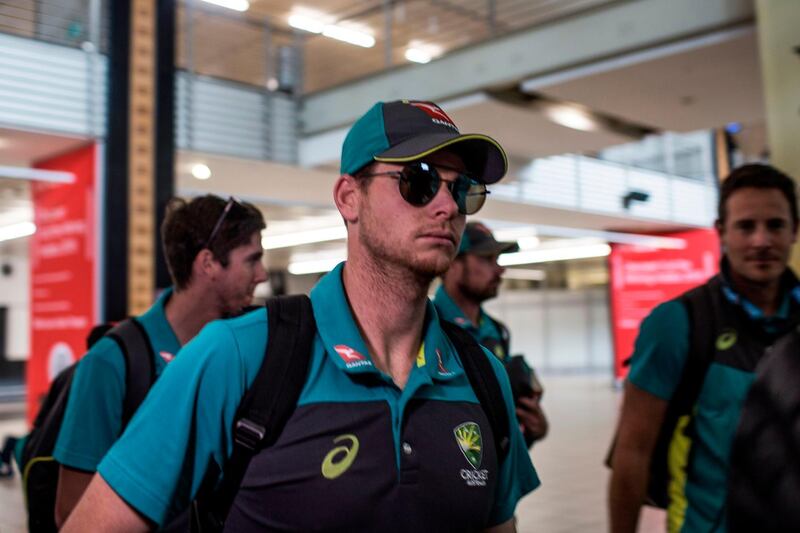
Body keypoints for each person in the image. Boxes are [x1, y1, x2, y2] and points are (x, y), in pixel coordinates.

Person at [62, 100, 539, 532]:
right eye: (419, 180)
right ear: (349, 198)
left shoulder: (482, 376)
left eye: (463, 191)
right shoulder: (238, 357)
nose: (446, 207)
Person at [53, 194, 267, 526]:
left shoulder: (244, 353)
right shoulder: (112, 362)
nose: (263, 275)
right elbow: (71, 510)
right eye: (252, 260)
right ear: (208, 263)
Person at [608, 163, 800, 533]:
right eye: (746, 226)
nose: (762, 240)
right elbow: (632, 453)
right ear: (722, 232)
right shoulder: (678, 323)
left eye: (775, 225)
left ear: (795, 230)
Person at [435, 221, 548, 445]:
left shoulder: (497, 332)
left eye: (497, 259)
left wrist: (531, 427)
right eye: (487, 259)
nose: (500, 269)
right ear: (452, 264)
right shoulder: (427, 326)